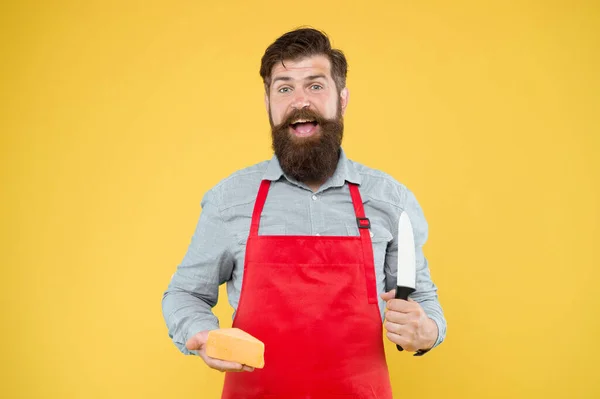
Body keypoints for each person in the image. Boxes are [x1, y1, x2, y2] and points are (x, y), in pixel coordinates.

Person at [162, 27, 446, 398]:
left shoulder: (390, 200)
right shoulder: (229, 199)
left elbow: (421, 299)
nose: (300, 101)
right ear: (268, 103)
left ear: (342, 99)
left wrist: (427, 332)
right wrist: (201, 334)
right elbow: (184, 293)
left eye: (315, 86)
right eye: (284, 88)